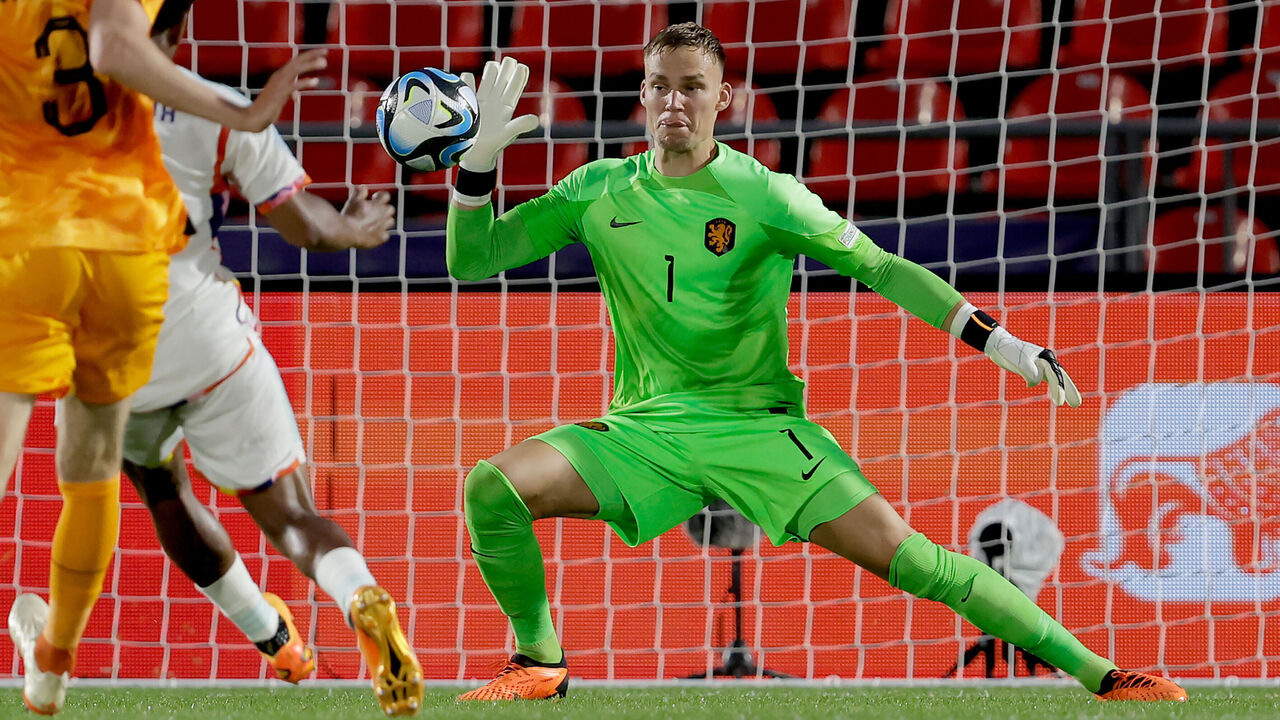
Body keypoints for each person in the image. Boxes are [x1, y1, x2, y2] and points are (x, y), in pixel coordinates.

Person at [445, 24, 1188, 703]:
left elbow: (883, 268)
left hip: (760, 432)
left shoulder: (765, 194)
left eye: (692, 85)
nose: (675, 100)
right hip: (646, 434)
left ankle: (1101, 674)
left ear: (722, 97)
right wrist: (475, 168)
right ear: (641, 94)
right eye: (661, 85)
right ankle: (539, 661)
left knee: (913, 560)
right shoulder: (596, 189)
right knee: (492, 487)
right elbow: (471, 259)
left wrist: (998, 341)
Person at [1, 0, 323, 713]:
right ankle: (54, 665)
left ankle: (266, 635)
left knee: (144, 481)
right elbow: (119, 44)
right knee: (107, 477)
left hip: (25, 239)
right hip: (128, 256)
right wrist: (241, 114)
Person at [106, 15, 424, 717]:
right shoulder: (212, 106)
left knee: (164, 491)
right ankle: (359, 596)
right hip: (209, 342)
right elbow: (306, 228)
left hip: (115, 352)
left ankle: (275, 639)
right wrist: (361, 228)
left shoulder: (61, 112)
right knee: (290, 515)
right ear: (185, 24)